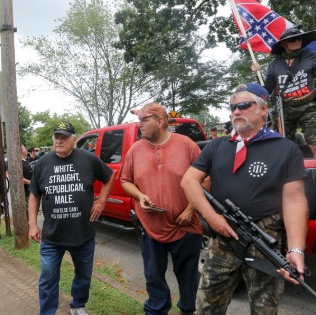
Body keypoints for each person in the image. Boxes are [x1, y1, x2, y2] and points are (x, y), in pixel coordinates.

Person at [181, 83, 308, 314]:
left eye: (243, 105)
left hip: (264, 240)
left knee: (264, 310)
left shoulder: (285, 148)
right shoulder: (217, 146)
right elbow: (189, 181)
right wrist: (213, 217)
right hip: (222, 238)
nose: (236, 111)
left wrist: (296, 249)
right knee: (206, 307)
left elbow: (295, 199)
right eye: (232, 107)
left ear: (262, 109)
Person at [119, 103, 203, 315]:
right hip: (149, 227)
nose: (140, 125)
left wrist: (190, 209)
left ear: (161, 121)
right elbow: (125, 180)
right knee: (153, 276)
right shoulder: (135, 149)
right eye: (139, 121)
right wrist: (140, 195)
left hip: (185, 226)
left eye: (145, 120)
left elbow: (206, 179)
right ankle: (156, 311)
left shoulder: (187, 145)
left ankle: (187, 310)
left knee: (188, 276)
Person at [28, 121, 115, 315]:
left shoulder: (88, 159)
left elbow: (110, 176)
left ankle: (78, 305)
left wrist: (101, 202)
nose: (59, 141)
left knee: (83, 276)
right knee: (48, 277)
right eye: (56, 137)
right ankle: (48, 312)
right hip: (52, 236)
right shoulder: (43, 162)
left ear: (74, 140)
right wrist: (33, 224)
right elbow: (34, 194)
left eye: (64, 137)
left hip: (82, 234)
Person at [252, 24, 316, 174]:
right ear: (283, 43)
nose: (297, 41)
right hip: (284, 108)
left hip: (309, 105)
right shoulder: (273, 65)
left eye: (299, 38)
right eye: (292, 39)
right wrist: (257, 74)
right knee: (283, 146)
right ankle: (288, 178)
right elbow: (267, 90)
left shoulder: (312, 56)